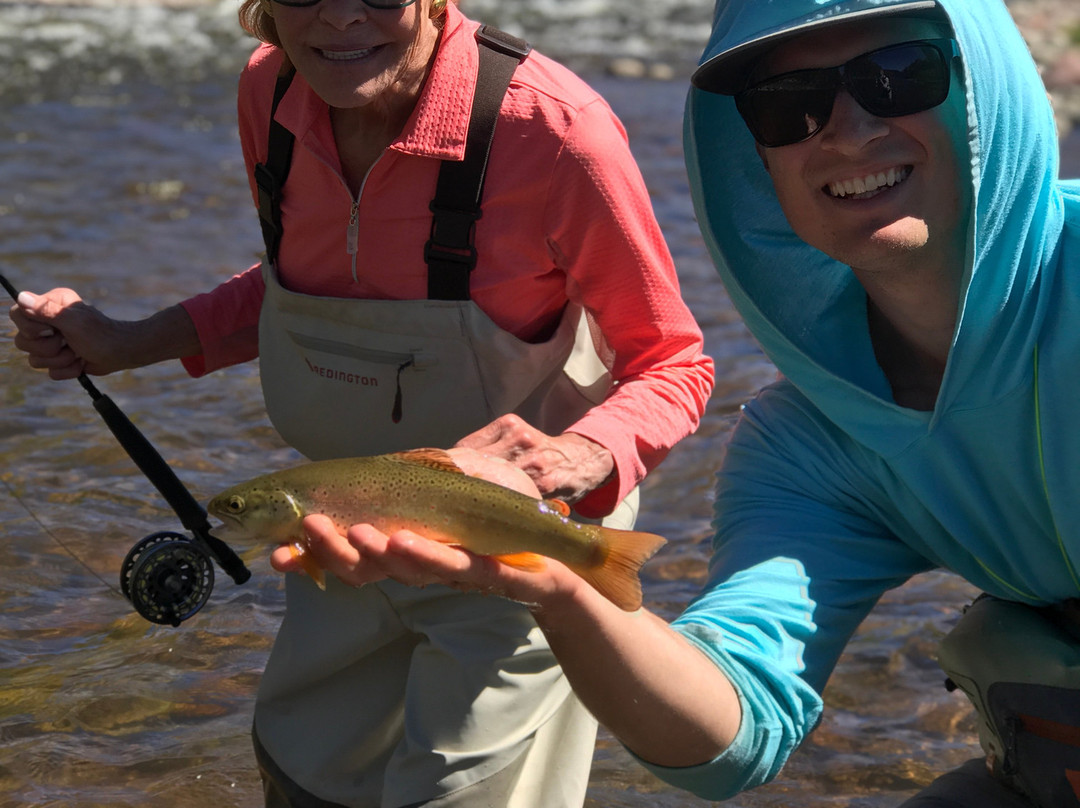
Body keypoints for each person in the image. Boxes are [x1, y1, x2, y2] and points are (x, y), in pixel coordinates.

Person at [278, 0, 1080, 805]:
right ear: (754, 161)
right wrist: (556, 586)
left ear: (988, 87)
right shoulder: (813, 445)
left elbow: (666, 359)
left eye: (899, 75)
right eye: (788, 105)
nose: (845, 130)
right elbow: (734, 730)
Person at [7, 0, 715, 805]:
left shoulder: (553, 130)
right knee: (300, 771)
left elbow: (673, 361)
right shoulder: (271, 93)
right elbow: (303, 285)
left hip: (516, 549)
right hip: (335, 532)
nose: (343, 18)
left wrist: (571, 459)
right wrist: (129, 341)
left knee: (455, 793)